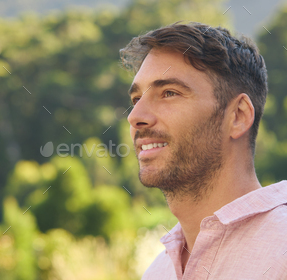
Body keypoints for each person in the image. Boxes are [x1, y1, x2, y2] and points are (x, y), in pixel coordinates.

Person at [119, 22, 287, 279]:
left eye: (169, 93)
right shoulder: (157, 273)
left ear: (238, 116)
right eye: (136, 99)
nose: (135, 117)